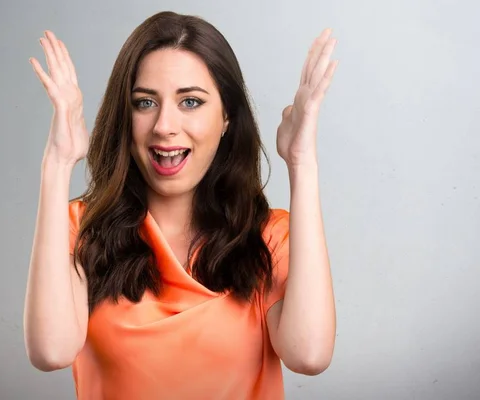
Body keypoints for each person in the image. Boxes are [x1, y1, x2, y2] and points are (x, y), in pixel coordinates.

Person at [24, 11, 337, 400]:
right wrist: (56, 162)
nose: (164, 126)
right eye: (144, 103)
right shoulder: (81, 228)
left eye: (190, 101)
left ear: (226, 118)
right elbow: (50, 351)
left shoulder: (268, 237)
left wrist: (302, 163)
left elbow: (308, 355)